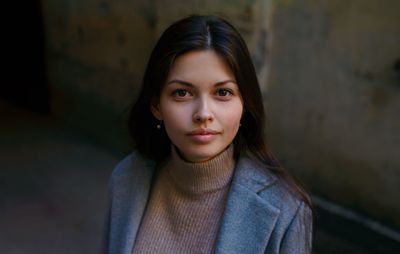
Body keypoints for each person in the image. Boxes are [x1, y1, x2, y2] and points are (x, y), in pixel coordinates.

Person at [102, 15, 313, 254]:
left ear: (245, 104)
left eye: (223, 92)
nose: (203, 114)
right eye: (182, 93)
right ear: (156, 106)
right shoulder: (126, 179)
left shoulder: (286, 210)